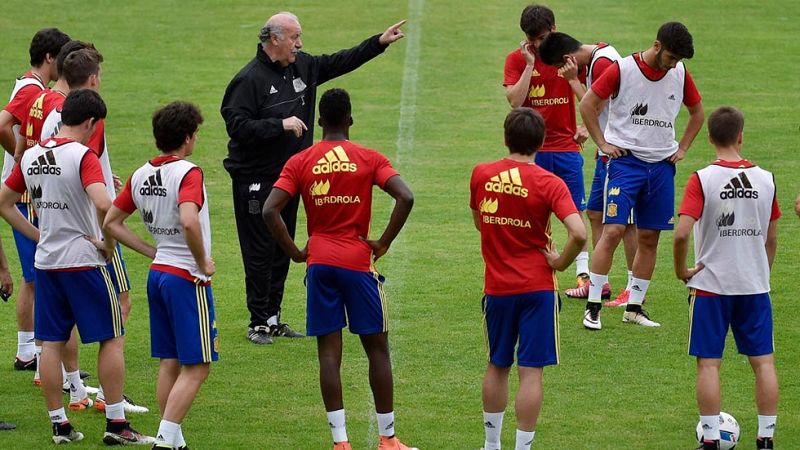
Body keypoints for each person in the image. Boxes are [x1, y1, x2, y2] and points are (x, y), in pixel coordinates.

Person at [221, 12, 406, 345]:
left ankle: (273, 316)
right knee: (259, 250)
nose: (300, 44)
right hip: (256, 178)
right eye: (294, 37)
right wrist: (279, 125)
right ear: (274, 39)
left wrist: (378, 43)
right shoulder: (249, 80)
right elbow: (236, 126)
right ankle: (258, 321)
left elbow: (340, 62)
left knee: (282, 245)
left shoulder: (301, 66)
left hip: (291, 177)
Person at [263, 88, 416, 450]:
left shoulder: (301, 161)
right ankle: (388, 439)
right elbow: (405, 196)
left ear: (319, 122)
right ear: (349, 119)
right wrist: (384, 242)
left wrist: (297, 252)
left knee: (328, 354)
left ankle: (340, 443)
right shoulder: (368, 157)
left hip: (319, 264)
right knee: (377, 350)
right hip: (358, 263)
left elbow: (270, 209)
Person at [0, 89, 152, 445]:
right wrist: (109, 243)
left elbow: (5, 204)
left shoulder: (31, 155)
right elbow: (103, 204)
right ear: (90, 122)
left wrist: (40, 235)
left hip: (48, 263)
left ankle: (60, 425)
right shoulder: (84, 156)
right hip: (83, 262)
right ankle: (116, 424)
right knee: (111, 338)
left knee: (50, 344)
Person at [29, 42, 148, 414]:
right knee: (114, 323)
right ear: (93, 79)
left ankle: (70, 397)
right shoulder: (88, 121)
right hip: (87, 239)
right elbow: (97, 193)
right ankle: (113, 407)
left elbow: (17, 186)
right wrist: (111, 240)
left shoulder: (51, 116)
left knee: (52, 336)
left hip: (49, 245)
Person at [470, 107, 585, 450]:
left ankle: (491, 445)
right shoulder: (550, 183)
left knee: (497, 364)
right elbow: (579, 232)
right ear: (542, 142)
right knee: (531, 371)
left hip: (498, 287)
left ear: (506, 137)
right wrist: (561, 263)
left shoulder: (482, 174)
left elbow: (480, 221)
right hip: (538, 288)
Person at [579, 22, 704, 330]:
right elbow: (588, 104)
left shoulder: (679, 73)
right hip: (625, 163)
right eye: (671, 57)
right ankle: (593, 307)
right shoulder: (623, 69)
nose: (674, 65)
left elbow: (698, 112)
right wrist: (603, 144)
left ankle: (634, 307)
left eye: (678, 60)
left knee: (650, 237)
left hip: (661, 166)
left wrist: (683, 147)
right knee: (613, 231)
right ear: (657, 46)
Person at [104, 101, 215, 450]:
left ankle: (175, 439)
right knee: (197, 366)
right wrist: (202, 261)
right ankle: (165, 440)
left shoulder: (140, 174)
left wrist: (152, 250)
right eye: (195, 134)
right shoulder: (188, 172)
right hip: (186, 277)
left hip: (159, 272)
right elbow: (188, 219)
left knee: (171, 360)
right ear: (186, 137)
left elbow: (111, 223)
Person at [673, 107, 779, 450]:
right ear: (741, 136)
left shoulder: (702, 179)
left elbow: (680, 235)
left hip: (710, 287)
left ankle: (710, 439)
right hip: (754, 285)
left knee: (709, 365)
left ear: (709, 138)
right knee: (763, 363)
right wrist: (762, 272)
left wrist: (681, 270)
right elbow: (771, 238)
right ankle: (766, 438)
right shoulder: (767, 179)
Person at [538, 32, 637, 306]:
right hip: (604, 149)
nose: (561, 73)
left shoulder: (604, 63)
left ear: (568, 59)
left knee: (626, 224)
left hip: (618, 151)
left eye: (559, 67)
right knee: (594, 213)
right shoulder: (596, 58)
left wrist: (571, 80)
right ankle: (599, 283)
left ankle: (633, 287)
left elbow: (593, 105)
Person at [503, 5, 591, 292]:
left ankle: (584, 276)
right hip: (531, 152)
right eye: (532, 40)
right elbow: (515, 101)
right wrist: (529, 64)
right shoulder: (517, 60)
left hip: (566, 148)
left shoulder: (573, 58)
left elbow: (597, 97)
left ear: (554, 30)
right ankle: (537, 271)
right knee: (531, 214)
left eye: (542, 38)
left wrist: (588, 127)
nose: (537, 45)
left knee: (575, 212)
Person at [0, 27, 70, 372]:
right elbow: (2, 123)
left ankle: (29, 351)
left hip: (27, 190)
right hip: (26, 194)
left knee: (33, 276)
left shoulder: (30, 86)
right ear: (49, 58)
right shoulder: (31, 91)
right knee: (37, 275)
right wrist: (20, 161)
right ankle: (36, 354)